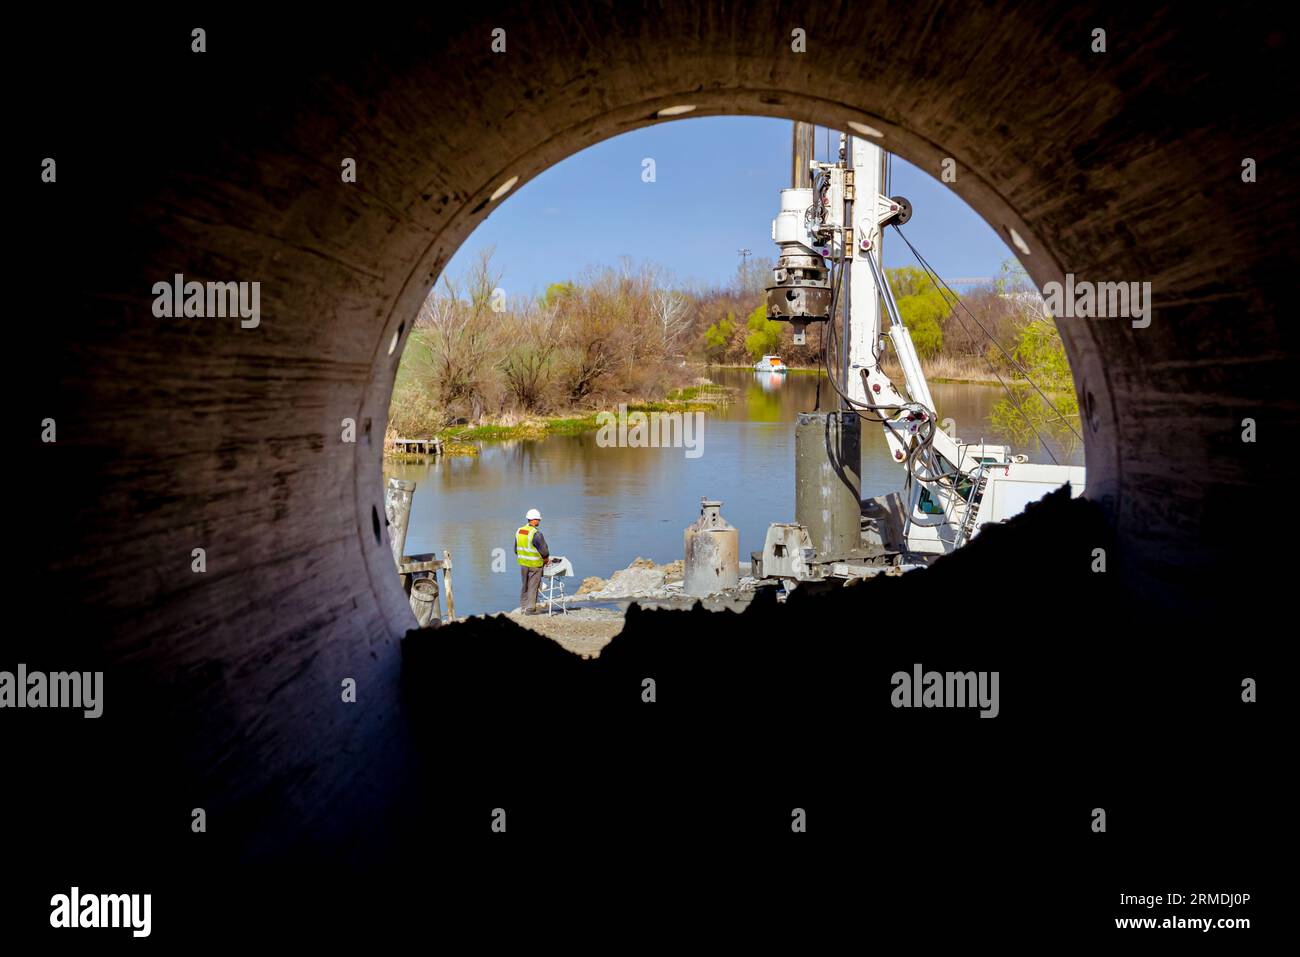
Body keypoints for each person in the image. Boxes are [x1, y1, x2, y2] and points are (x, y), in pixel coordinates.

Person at [515, 508, 551, 614]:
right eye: (538, 519)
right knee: (533, 586)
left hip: (523, 564)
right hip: (535, 565)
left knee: (525, 585)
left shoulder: (519, 531)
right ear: (534, 520)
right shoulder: (536, 533)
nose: (539, 521)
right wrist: (546, 560)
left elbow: (515, 549)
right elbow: (544, 551)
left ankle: (523, 607)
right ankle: (530, 609)